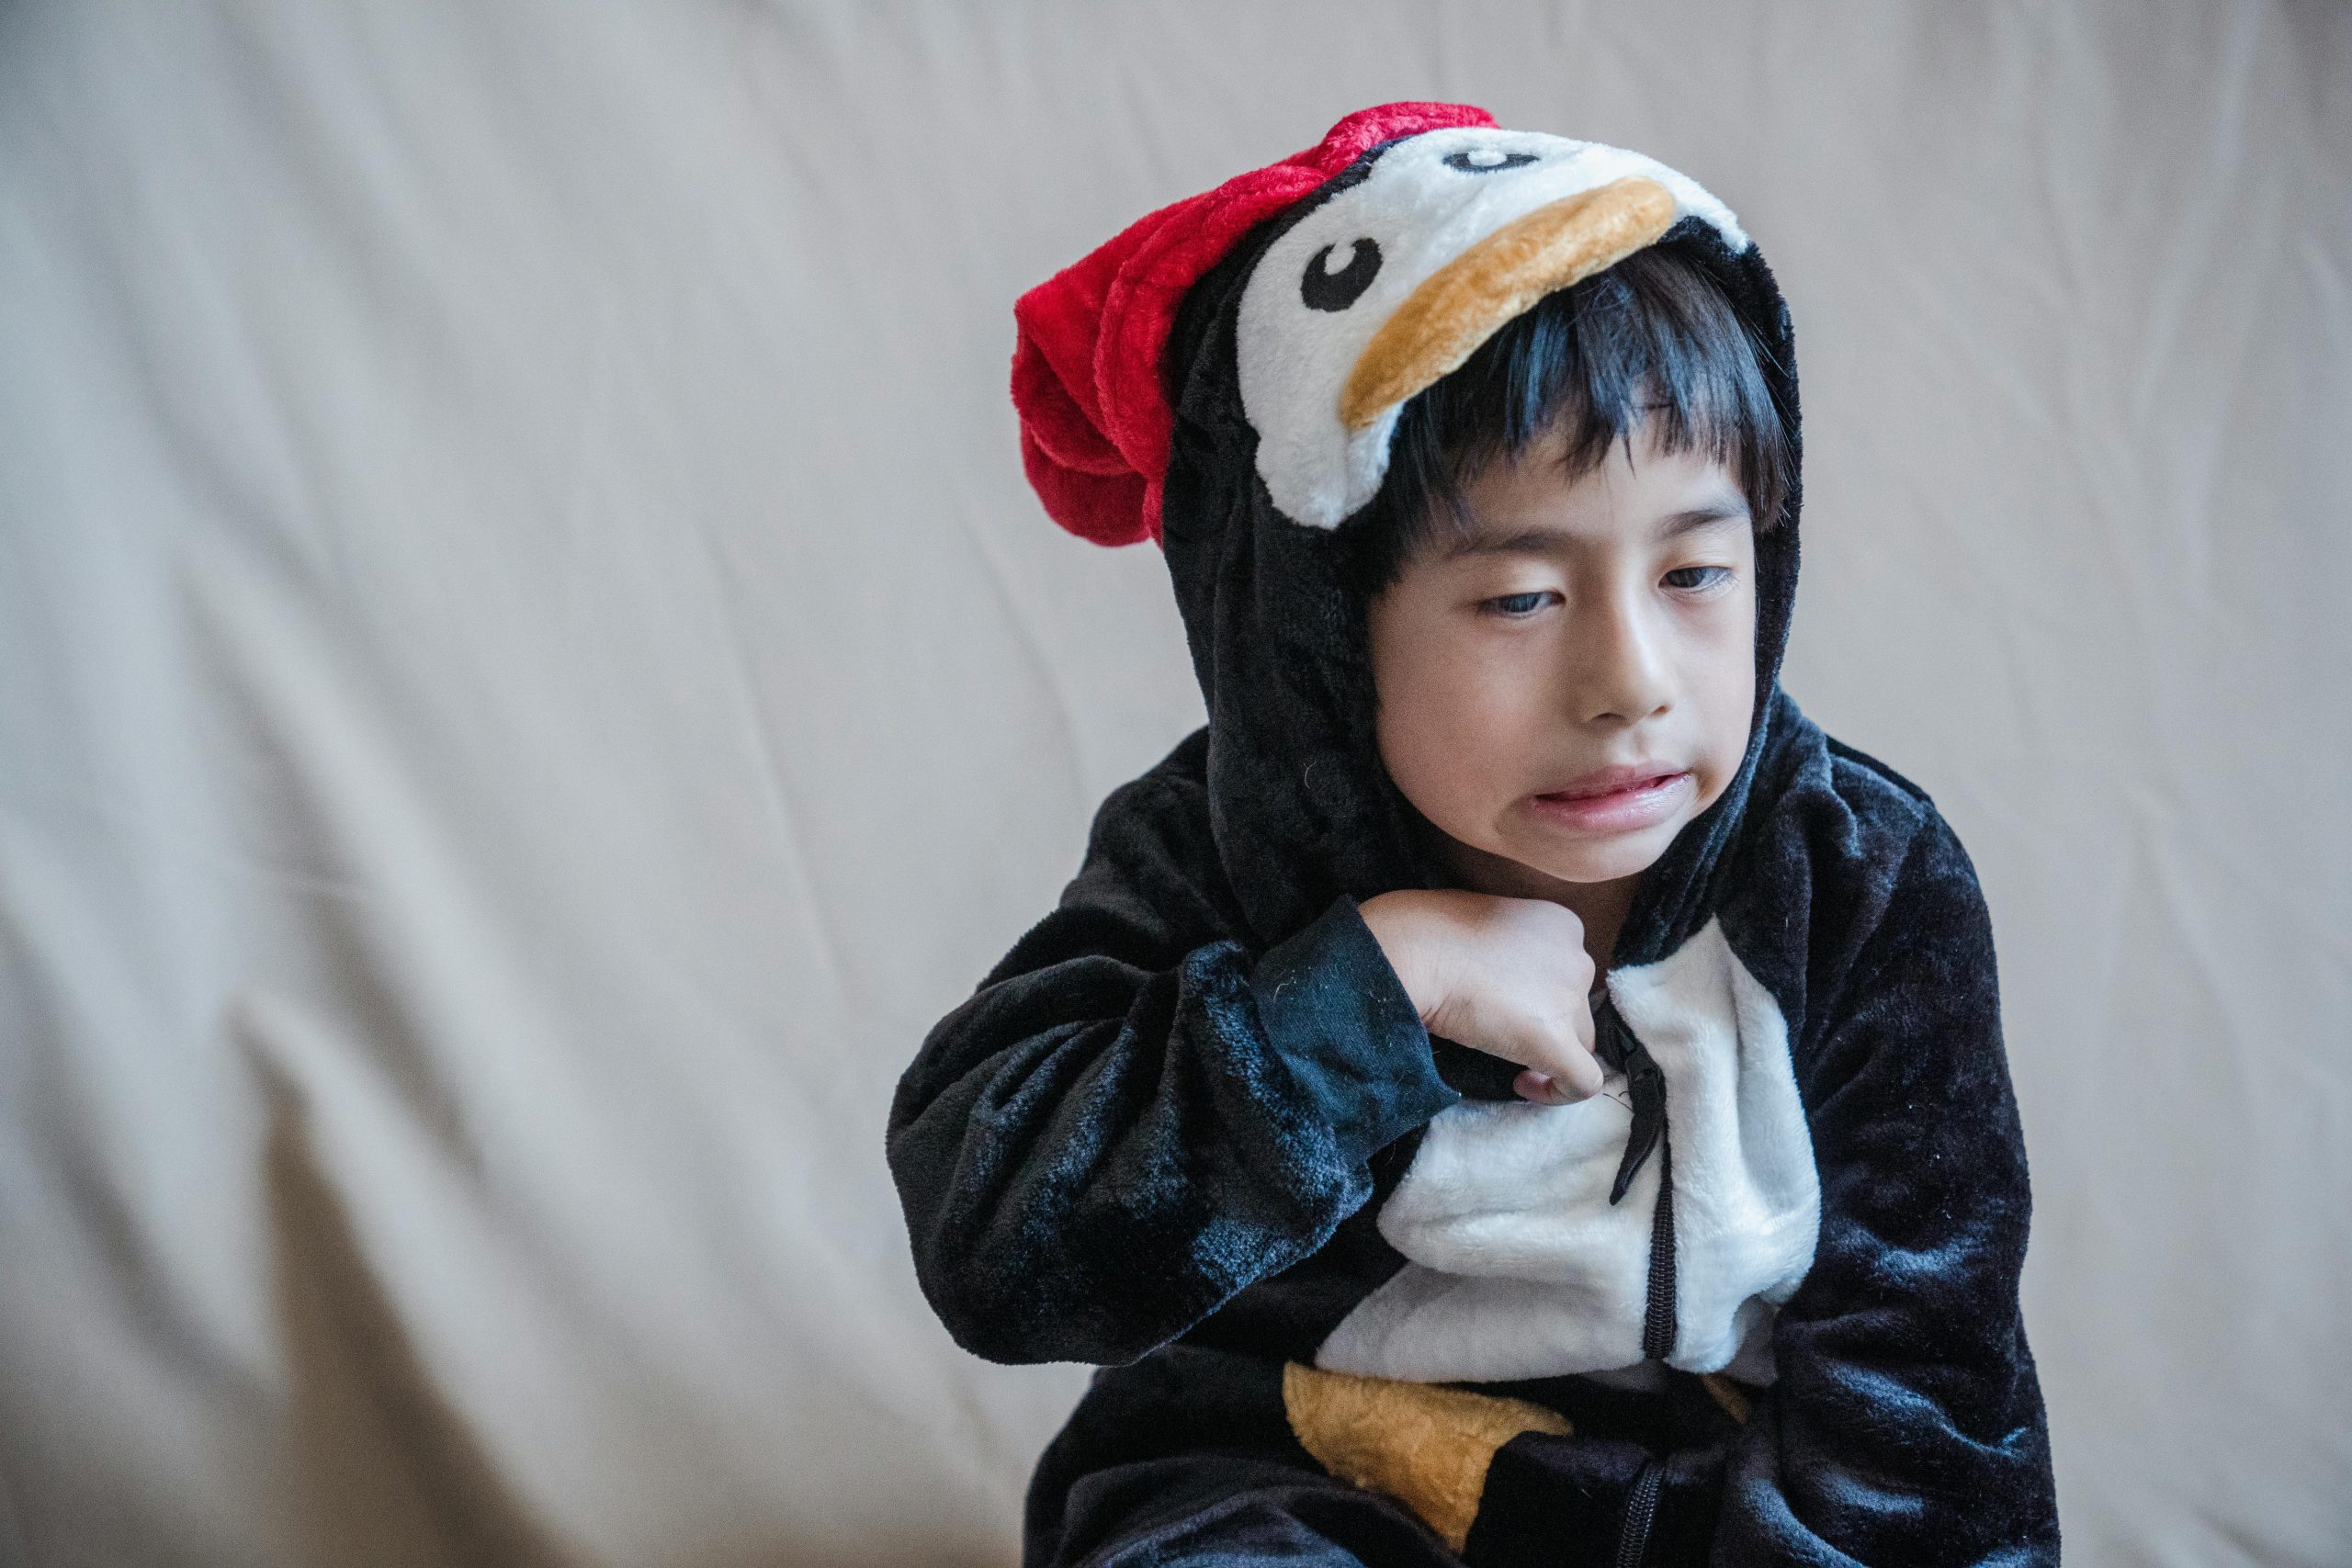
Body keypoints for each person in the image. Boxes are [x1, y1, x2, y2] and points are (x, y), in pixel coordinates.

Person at [888, 101, 2060, 1566]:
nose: (1630, 683)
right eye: (1521, 598)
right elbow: (997, 1240)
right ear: (1322, 630)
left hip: (1687, 1504)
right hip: (1281, 1464)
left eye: (1696, 573)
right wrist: (1363, 996)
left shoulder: (1855, 878)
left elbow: (1926, 1395)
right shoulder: (1220, 854)